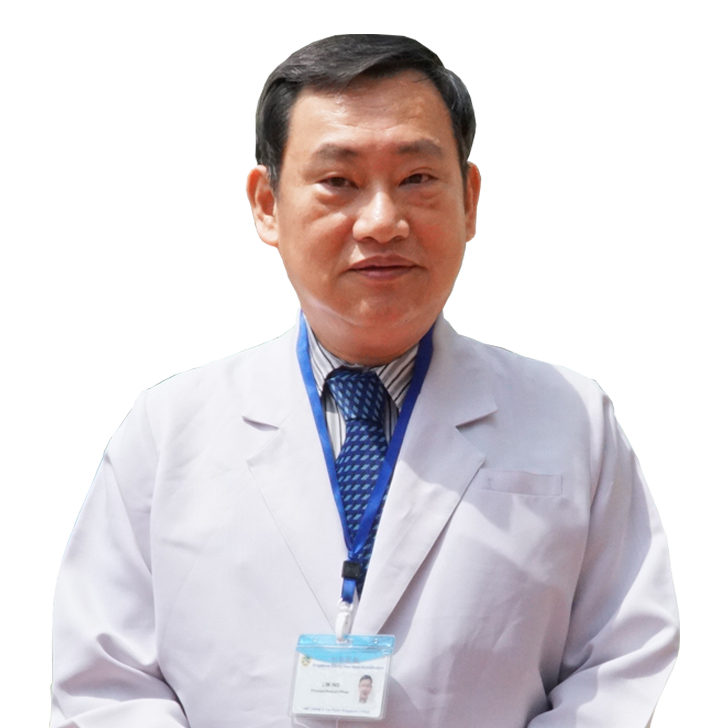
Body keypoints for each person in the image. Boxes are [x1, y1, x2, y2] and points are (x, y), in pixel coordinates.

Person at [51, 34, 679, 727]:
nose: (382, 222)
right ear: (267, 204)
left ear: (469, 200)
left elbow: (618, 663)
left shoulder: (572, 420)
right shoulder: (167, 432)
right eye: (339, 182)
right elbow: (105, 681)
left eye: (417, 178)